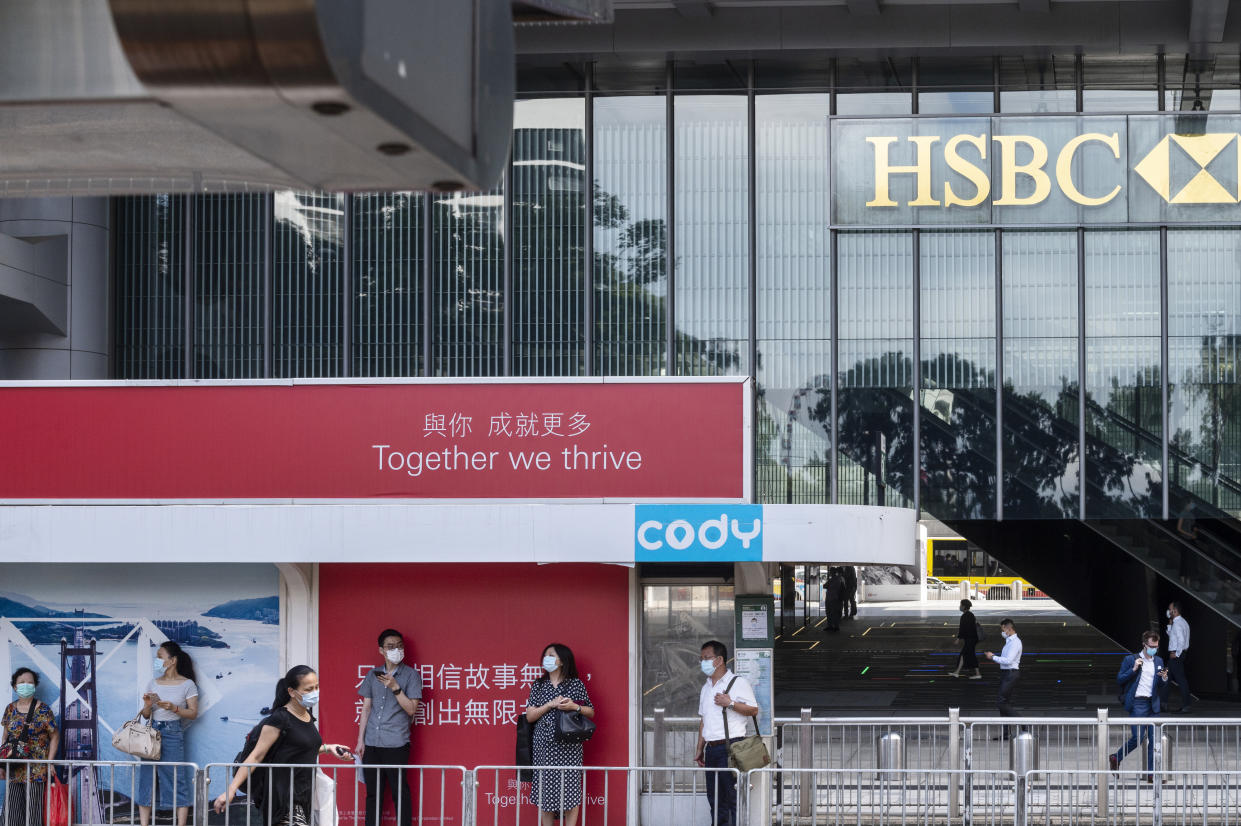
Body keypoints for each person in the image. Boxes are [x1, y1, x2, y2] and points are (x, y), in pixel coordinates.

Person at [213, 666, 354, 826]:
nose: (315, 692)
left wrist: (329, 748)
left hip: (304, 792)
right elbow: (256, 756)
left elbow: (300, 750)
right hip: (283, 795)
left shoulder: (307, 715)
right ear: (292, 692)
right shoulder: (280, 719)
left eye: (316, 687)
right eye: (308, 689)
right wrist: (231, 790)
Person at [355, 629, 423, 826]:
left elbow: (411, 709)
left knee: (399, 792)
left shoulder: (411, 675)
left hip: (396, 744)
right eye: (391, 647)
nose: (396, 650)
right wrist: (360, 741)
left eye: (400, 646)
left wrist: (395, 687)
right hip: (372, 743)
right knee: (372, 794)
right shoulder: (372, 674)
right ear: (381, 651)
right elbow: (366, 708)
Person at [525, 643, 594, 826]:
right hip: (544, 745)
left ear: (562, 661)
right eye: (545, 655)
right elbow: (530, 716)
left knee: (570, 790)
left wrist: (574, 706)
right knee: (545, 792)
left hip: (569, 746)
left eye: (551, 655)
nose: (546, 659)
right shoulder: (539, 685)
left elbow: (590, 711)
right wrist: (550, 705)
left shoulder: (575, 684)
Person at [694, 640, 758, 826]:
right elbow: (704, 719)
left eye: (707, 658)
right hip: (712, 750)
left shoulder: (737, 682)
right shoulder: (706, 688)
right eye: (701, 659)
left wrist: (729, 703)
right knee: (715, 799)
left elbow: (753, 710)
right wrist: (700, 748)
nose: (703, 662)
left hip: (732, 748)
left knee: (732, 798)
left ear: (719, 659)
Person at [136, 642, 199, 826]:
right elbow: (146, 715)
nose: (157, 660)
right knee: (146, 778)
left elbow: (193, 713)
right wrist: (148, 705)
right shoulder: (153, 683)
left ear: (172, 660)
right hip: (152, 730)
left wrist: (174, 708)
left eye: (160, 656)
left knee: (176, 778)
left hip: (173, 731)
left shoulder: (188, 684)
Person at [1, 668, 59, 826]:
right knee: (11, 816)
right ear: (14, 686)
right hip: (13, 768)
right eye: (21, 683)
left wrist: (50, 761)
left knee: (32, 815)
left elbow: (54, 736)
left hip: (36, 769)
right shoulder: (10, 709)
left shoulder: (44, 710)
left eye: (30, 683)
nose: (26, 685)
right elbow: (5, 737)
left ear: (35, 686)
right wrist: (1, 764)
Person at [1110, 631, 1169, 778]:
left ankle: (1150, 773)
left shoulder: (1159, 661)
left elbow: (1161, 685)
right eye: (1151, 646)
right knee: (1137, 738)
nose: (1154, 649)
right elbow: (1119, 679)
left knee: (1153, 739)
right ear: (1144, 644)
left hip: (1153, 704)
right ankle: (1116, 757)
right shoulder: (1131, 659)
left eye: (1156, 646)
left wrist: (1164, 678)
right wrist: (1133, 669)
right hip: (1138, 703)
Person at [984, 619, 1023, 738]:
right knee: (1004, 703)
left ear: (1008, 628)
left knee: (1001, 702)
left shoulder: (1015, 642)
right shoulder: (1009, 640)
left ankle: (1024, 723)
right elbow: (1005, 636)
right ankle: (1006, 733)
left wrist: (993, 657)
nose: (1002, 632)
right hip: (1006, 674)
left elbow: (1008, 660)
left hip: (1010, 674)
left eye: (1003, 629)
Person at [1162, 602, 1192, 713]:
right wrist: (1170, 625)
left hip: (1176, 655)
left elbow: (1181, 640)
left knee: (1181, 680)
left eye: (1170, 609)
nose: (1168, 611)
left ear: (1175, 610)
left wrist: (1177, 653)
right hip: (1176, 655)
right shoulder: (1180, 622)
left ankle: (1186, 705)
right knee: (1166, 677)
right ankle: (1163, 703)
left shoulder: (1178, 624)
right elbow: (1173, 637)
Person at [948, 599, 981, 679]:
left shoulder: (965, 616)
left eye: (960, 605)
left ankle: (976, 674)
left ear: (964, 606)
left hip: (970, 639)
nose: (959, 607)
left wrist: (958, 639)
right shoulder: (971, 614)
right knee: (967, 655)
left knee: (966, 655)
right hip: (973, 638)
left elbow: (962, 629)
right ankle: (958, 672)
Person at [823, 568, 844, 632]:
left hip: (832, 598)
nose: (829, 573)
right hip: (834, 598)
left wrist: (828, 584)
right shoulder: (838, 579)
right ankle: (833, 626)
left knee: (831, 613)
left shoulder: (833, 579)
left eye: (830, 571)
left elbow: (825, 586)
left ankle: (833, 626)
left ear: (833, 572)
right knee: (832, 613)